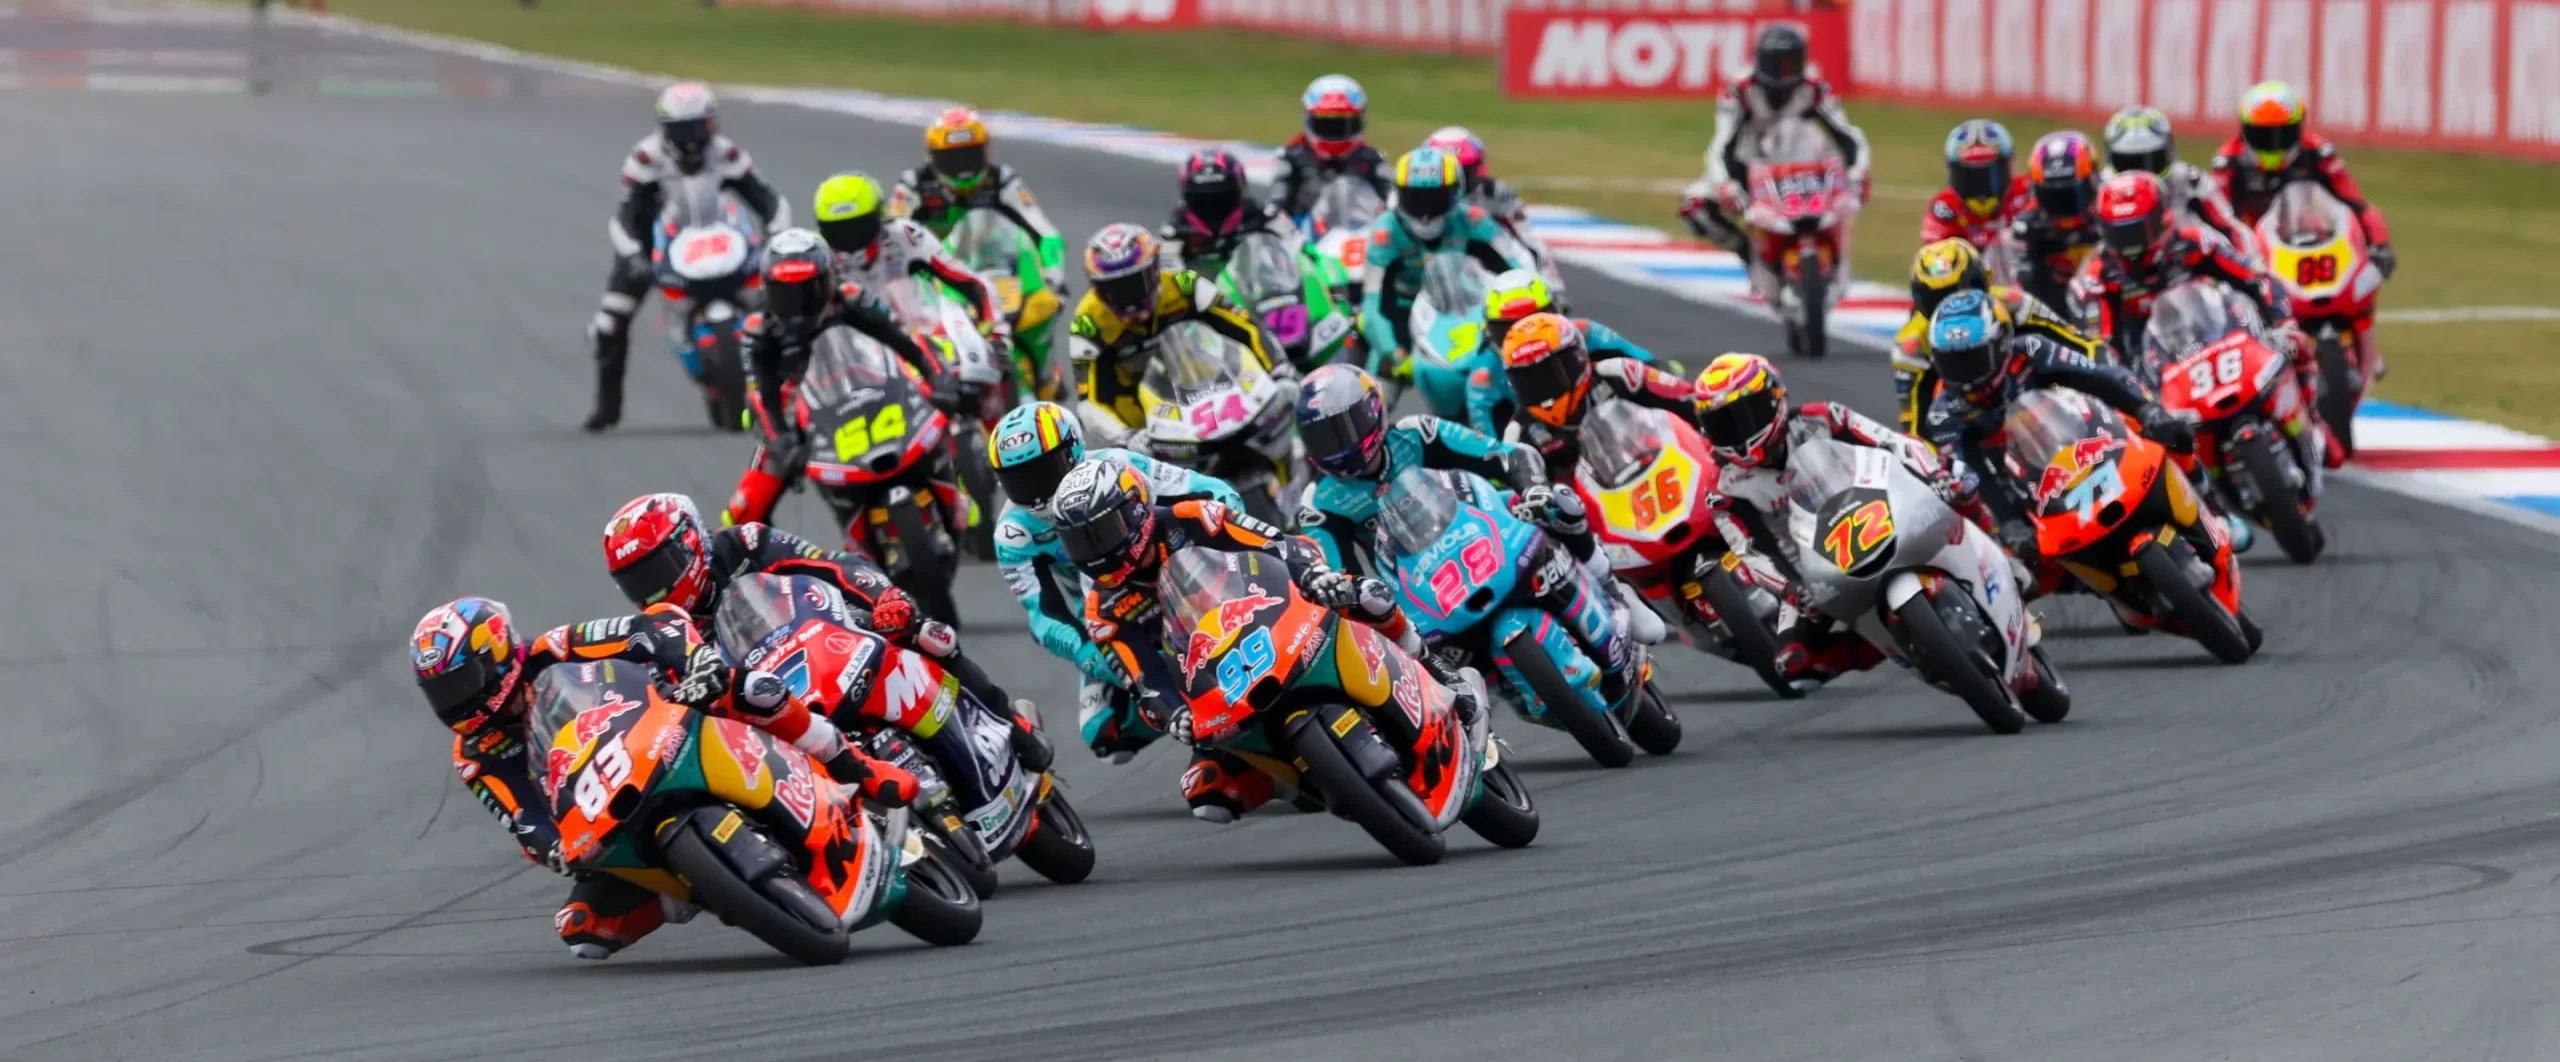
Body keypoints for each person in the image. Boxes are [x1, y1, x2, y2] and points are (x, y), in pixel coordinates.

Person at [411, 597, 918, 960]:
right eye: (442, 694)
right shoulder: (474, 755)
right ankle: (701, 886)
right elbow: (522, 817)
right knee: (584, 930)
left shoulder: (558, 648)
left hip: (670, 720)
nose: (457, 702)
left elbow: (653, 625)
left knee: (749, 688)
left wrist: (693, 661)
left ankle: (853, 763)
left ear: (497, 654)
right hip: (606, 804)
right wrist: (551, 849)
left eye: (462, 683)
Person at [1048, 460, 1484, 823]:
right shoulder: (1103, 609)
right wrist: (1173, 715)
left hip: (1271, 614)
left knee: (1367, 596)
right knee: (1207, 795)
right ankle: (1299, 781)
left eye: (1101, 532)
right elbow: (1143, 679)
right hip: (1216, 681)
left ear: (1136, 510)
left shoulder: (1194, 518)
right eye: (1079, 541)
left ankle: (1436, 669)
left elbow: (1275, 543)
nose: (1095, 551)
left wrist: (1313, 575)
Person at [599, 492, 1053, 772]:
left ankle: (1010, 725)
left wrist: (883, 598)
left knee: (923, 633)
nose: (654, 588)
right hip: (774, 703)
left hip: (826, 637)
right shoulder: (661, 630)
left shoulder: (743, 544)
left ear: (691, 542)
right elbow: (659, 692)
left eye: (659, 568)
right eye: (637, 581)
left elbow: (832, 564)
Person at [1693, 353, 1999, 690]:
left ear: (1775, 398)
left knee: (1959, 486)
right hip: (1816, 571)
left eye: (1747, 414)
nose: (1740, 431)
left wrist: (1935, 475)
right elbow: (1751, 551)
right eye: (1724, 424)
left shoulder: (1822, 417)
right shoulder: (1723, 487)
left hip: (1882, 513)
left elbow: (1890, 441)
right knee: (1794, 666)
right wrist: (1791, 588)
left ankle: (1999, 555)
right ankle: (1887, 645)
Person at [987, 401, 1243, 763]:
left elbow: (1213, 492)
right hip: (1107, 609)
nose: (1036, 492)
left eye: (1043, 472)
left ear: (1074, 450)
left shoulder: (1119, 465)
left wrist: (1231, 548)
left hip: (1180, 577)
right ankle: (1196, 725)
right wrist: (1088, 655)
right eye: (1020, 480)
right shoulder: (1013, 533)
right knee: (1104, 735)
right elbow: (1042, 615)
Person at [1917, 289, 2196, 572]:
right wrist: (2009, 523)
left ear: (2000, 344)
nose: (1965, 377)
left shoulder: (2031, 350)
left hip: (2078, 437)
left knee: (2166, 431)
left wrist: (2146, 410)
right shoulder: (1943, 416)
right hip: (2021, 486)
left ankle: (2202, 493)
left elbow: (2095, 377)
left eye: (1973, 359)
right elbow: (1974, 476)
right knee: (2018, 562)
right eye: (1952, 364)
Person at [719, 229, 959, 529]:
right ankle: (750, 544)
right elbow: (759, 391)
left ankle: (959, 492)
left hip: (865, 381)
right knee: (739, 513)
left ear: (829, 280)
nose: (798, 303)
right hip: (796, 407)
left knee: (945, 399)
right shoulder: (758, 329)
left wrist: (939, 378)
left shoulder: (852, 297)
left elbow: (903, 339)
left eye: (808, 290)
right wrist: (780, 438)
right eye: (785, 294)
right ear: (768, 290)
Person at [586, 82, 789, 433]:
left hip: (716, 238)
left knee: (781, 303)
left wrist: (777, 236)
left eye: (701, 126)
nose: (694, 138)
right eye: (684, 129)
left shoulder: (726, 153)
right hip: (650, 249)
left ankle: (791, 391)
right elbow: (625, 218)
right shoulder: (645, 158)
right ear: (665, 129)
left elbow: (767, 200)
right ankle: (607, 406)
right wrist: (634, 257)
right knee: (609, 322)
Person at [1067, 223, 1280, 444]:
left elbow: (1247, 327)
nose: (1128, 299)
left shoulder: (1184, 285)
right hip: (1144, 429)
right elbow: (1088, 404)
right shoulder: (1087, 324)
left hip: (1209, 398)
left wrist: (1279, 371)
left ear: (1154, 271)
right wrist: (1126, 437)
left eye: (1135, 283)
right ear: (1096, 289)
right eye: (1114, 290)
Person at [1677, 24, 1872, 255]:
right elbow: (1722, 144)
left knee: (1836, 208)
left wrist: (1859, 170)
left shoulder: (1815, 86)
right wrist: (1725, 184)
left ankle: (1829, 255)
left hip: (1804, 170)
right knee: (1694, 207)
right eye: (1773, 63)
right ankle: (1748, 253)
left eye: (1789, 63)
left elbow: (1848, 135)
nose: (1781, 72)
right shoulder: (1739, 89)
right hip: (1751, 167)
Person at [1891, 238, 2107, 434]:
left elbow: (2082, 344)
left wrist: (2105, 390)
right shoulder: (1910, 347)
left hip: (2037, 404)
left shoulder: (2014, 303)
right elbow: (1914, 430)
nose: (1954, 306)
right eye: (1937, 299)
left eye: (1963, 290)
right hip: (1970, 424)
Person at [1356, 148, 1525, 372]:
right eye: (1415, 200)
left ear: (1457, 193)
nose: (1425, 214)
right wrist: (1393, 353)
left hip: (1461, 309)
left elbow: (1517, 269)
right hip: (1401, 310)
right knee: (1382, 374)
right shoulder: (1384, 233)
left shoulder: (1472, 219)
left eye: (1436, 200)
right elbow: (1372, 305)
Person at [807, 171, 1012, 356]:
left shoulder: (907, 236)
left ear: (879, 216)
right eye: (838, 231)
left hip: (923, 346)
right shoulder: (816, 257)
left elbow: (972, 283)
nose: (851, 239)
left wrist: (996, 335)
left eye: (859, 227)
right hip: (857, 359)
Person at [2212, 81, 2395, 276]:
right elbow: (2216, 216)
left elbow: (2356, 204)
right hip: (2253, 254)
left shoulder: (2318, 152)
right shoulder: (2228, 162)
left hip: (2311, 247)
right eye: (2262, 136)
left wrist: (2380, 243)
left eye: (2283, 135)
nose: (2274, 145)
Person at [887, 107, 1068, 289]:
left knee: (1047, 300)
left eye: (970, 156)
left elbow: (1046, 233)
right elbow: (891, 238)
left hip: (998, 276)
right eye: (952, 159)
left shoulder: (1003, 181)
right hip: (934, 281)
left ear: (986, 151)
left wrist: (1053, 274)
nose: (963, 168)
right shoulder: (913, 185)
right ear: (932, 158)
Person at [2100, 106, 2255, 256]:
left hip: (2182, 265)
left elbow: (2231, 227)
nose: (2141, 173)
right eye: (2129, 162)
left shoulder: (2190, 179)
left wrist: (2252, 262)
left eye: (2152, 160)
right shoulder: (2102, 189)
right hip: (2121, 269)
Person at [2006, 131, 2106, 315]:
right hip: (2051, 311)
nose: (2062, 204)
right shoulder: (2026, 225)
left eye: (2070, 194)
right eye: (2052, 195)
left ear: (2093, 182)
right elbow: (2012, 283)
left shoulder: (2108, 210)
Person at [1271, 74, 1393, 223]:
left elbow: (1393, 202)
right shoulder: (1290, 158)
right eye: (1326, 125)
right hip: (1301, 234)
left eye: (1341, 125)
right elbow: (1276, 205)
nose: (1334, 133)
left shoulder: (1373, 160)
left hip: (1359, 232)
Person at [1159, 148, 1301, 272]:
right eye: (1202, 199)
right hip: (1202, 292)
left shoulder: (1264, 216)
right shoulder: (1175, 230)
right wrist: (1192, 287)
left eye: (1222, 197)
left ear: (1240, 190)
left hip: (1256, 289)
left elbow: (1299, 246)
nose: (1212, 206)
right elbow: (1170, 273)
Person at [1921, 119, 2032, 252]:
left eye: (1988, 175)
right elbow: (1937, 257)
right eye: (1970, 177)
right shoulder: (1945, 208)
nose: (1980, 187)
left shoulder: (2028, 192)